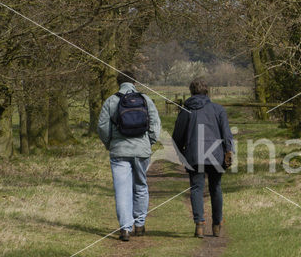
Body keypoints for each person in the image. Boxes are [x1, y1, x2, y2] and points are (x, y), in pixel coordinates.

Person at [98, 71, 161, 241]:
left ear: (118, 83)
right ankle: (139, 225)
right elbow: (155, 125)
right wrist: (149, 142)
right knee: (141, 185)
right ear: (134, 82)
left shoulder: (111, 101)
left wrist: (109, 143)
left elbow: (103, 127)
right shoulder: (145, 100)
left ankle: (125, 229)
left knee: (122, 189)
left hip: (119, 151)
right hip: (142, 150)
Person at [172, 79, 234, 238]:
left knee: (196, 188)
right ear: (207, 92)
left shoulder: (186, 110)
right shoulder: (218, 109)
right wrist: (228, 151)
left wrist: (181, 153)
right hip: (216, 154)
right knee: (216, 188)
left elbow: (177, 136)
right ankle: (216, 225)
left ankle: (199, 225)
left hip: (194, 154)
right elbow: (226, 133)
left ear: (191, 92)